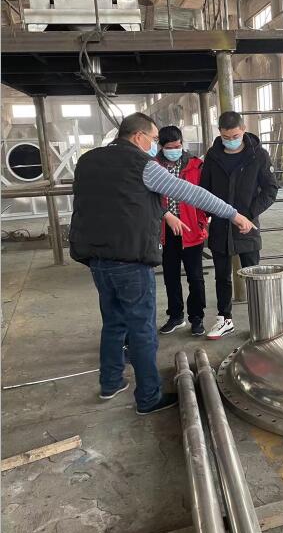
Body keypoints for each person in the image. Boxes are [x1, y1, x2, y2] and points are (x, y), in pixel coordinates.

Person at [69, 112, 254, 415]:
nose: (155, 145)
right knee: (141, 329)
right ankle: (148, 398)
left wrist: (160, 212)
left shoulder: (87, 161)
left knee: (114, 322)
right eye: (153, 139)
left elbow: (102, 202)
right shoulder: (142, 165)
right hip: (130, 259)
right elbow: (191, 193)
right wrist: (233, 214)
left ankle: (110, 382)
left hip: (97, 258)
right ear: (138, 136)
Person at [200, 110, 278, 339]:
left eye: (235, 135)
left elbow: (270, 189)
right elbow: (204, 189)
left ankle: (261, 321)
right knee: (222, 276)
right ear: (220, 133)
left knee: (254, 275)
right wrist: (209, 215)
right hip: (220, 225)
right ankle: (224, 319)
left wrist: (250, 214)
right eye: (226, 136)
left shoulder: (258, 155)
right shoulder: (213, 156)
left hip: (248, 225)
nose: (230, 140)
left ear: (243, 130)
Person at [157, 125, 207, 337]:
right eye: (169, 148)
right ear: (161, 146)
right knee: (170, 276)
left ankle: (197, 318)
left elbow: (205, 194)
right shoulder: (153, 167)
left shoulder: (195, 166)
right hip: (166, 232)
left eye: (177, 146)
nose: (174, 151)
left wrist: (202, 221)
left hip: (191, 230)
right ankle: (176, 316)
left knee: (195, 277)